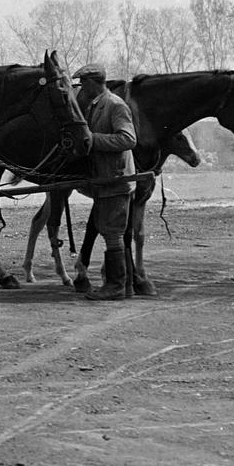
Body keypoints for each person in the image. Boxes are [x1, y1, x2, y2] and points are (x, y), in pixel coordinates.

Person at [75, 63, 137, 301]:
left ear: (93, 82)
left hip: (116, 179)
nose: (81, 88)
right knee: (110, 232)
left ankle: (115, 286)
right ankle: (123, 285)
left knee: (113, 233)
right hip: (105, 179)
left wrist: (92, 139)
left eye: (83, 83)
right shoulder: (97, 105)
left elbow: (128, 139)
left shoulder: (115, 105)